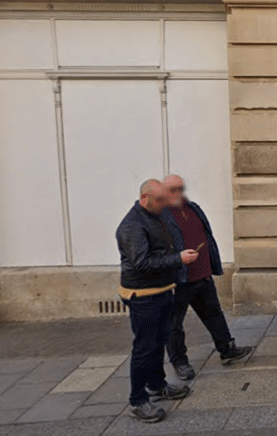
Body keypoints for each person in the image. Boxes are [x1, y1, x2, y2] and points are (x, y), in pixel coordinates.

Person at [115, 179, 198, 423]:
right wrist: (178, 259)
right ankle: (137, 400)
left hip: (161, 290)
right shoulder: (132, 226)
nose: (165, 205)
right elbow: (141, 263)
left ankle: (157, 384)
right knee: (144, 348)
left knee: (159, 340)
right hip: (143, 296)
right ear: (145, 199)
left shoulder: (152, 215)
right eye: (160, 201)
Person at [161, 174, 253, 381]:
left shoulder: (192, 207)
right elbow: (158, 250)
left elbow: (206, 235)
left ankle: (227, 349)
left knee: (213, 314)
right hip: (178, 279)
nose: (178, 193)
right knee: (173, 324)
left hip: (201, 274)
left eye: (180, 188)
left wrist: (211, 262)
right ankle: (180, 362)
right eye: (172, 189)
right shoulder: (160, 217)